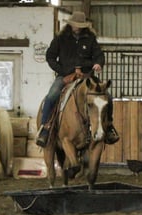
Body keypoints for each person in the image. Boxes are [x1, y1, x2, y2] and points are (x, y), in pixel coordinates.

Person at [36, 11, 119, 147]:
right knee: (51, 96)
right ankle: (45, 128)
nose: (78, 28)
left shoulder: (90, 38)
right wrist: (62, 71)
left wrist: (98, 63)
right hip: (65, 75)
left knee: (107, 97)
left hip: (87, 77)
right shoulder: (61, 38)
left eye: (80, 25)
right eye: (76, 25)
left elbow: (99, 55)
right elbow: (50, 57)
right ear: (71, 25)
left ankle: (109, 127)